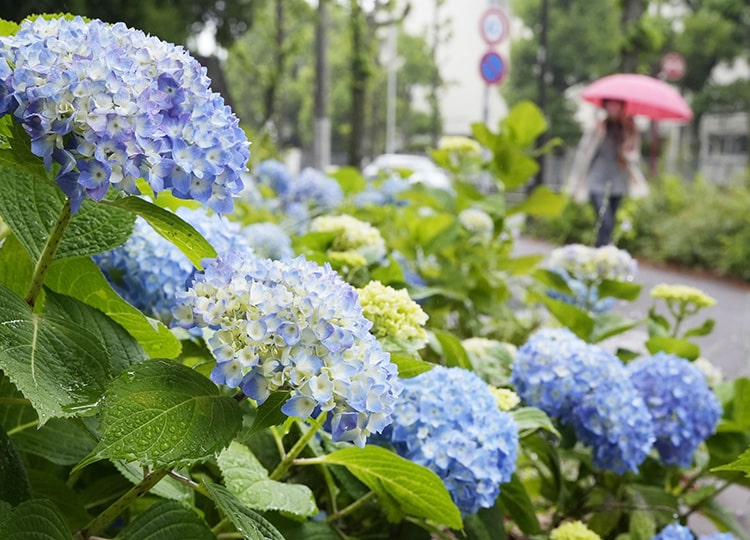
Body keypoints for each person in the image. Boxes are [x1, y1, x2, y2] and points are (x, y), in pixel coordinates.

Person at [565, 99, 649, 247]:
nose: (612, 107)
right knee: (605, 219)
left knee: (609, 223)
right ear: (605, 106)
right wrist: (597, 134)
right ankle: (606, 253)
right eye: (610, 104)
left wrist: (627, 151)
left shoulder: (630, 130)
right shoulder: (597, 127)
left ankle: (601, 254)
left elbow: (635, 157)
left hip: (618, 183)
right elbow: (584, 155)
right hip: (596, 181)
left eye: (616, 104)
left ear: (622, 106)